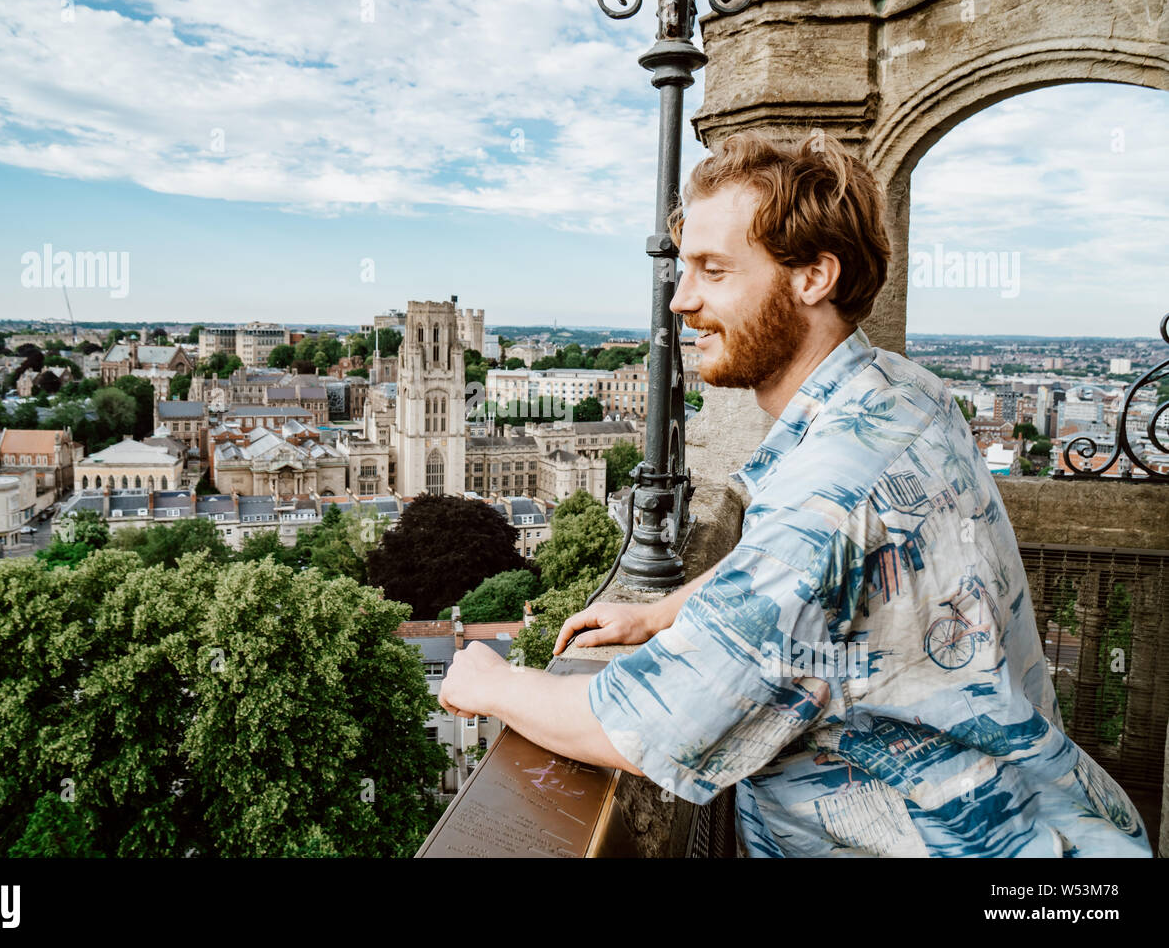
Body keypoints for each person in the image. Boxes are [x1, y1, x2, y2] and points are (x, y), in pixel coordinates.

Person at [438, 130, 1151, 857]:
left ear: (814, 276)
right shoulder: (906, 394)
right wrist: (661, 611)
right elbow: (812, 575)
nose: (682, 301)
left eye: (713, 270)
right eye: (686, 269)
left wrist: (490, 678)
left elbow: (645, 722)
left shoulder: (833, 494)